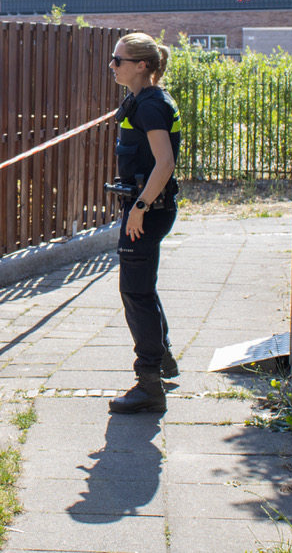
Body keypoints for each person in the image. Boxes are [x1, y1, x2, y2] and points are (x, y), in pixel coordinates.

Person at [107, 32, 182, 414]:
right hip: (149, 207)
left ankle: (149, 384)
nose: (112, 65)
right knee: (142, 289)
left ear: (141, 66)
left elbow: (164, 163)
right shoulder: (145, 100)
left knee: (135, 293)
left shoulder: (151, 106)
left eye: (118, 60)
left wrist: (138, 207)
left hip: (147, 211)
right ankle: (163, 359)